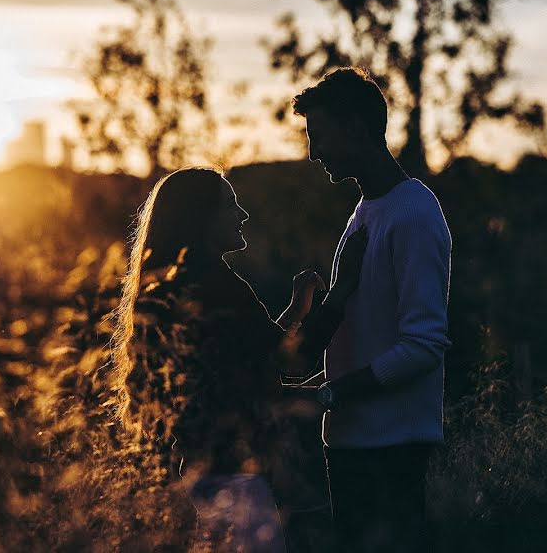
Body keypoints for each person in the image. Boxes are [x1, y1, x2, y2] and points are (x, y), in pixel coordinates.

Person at [109, 167, 368, 552]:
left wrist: (297, 310)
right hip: (235, 480)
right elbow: (293, 362)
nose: (242, 214)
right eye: (230, 205)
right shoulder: (216, 282)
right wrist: (342, 290)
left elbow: (250, 352)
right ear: (202, 218)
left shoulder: (182, 281)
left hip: (206, 475)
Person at [290, 67, 453, 552]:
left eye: (319, 136)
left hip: (390, 449)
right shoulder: (366, 211)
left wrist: (331, 395)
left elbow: (424, 346)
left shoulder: (415, 214)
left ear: (356, 129)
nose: (314, 153)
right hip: (353, 444)